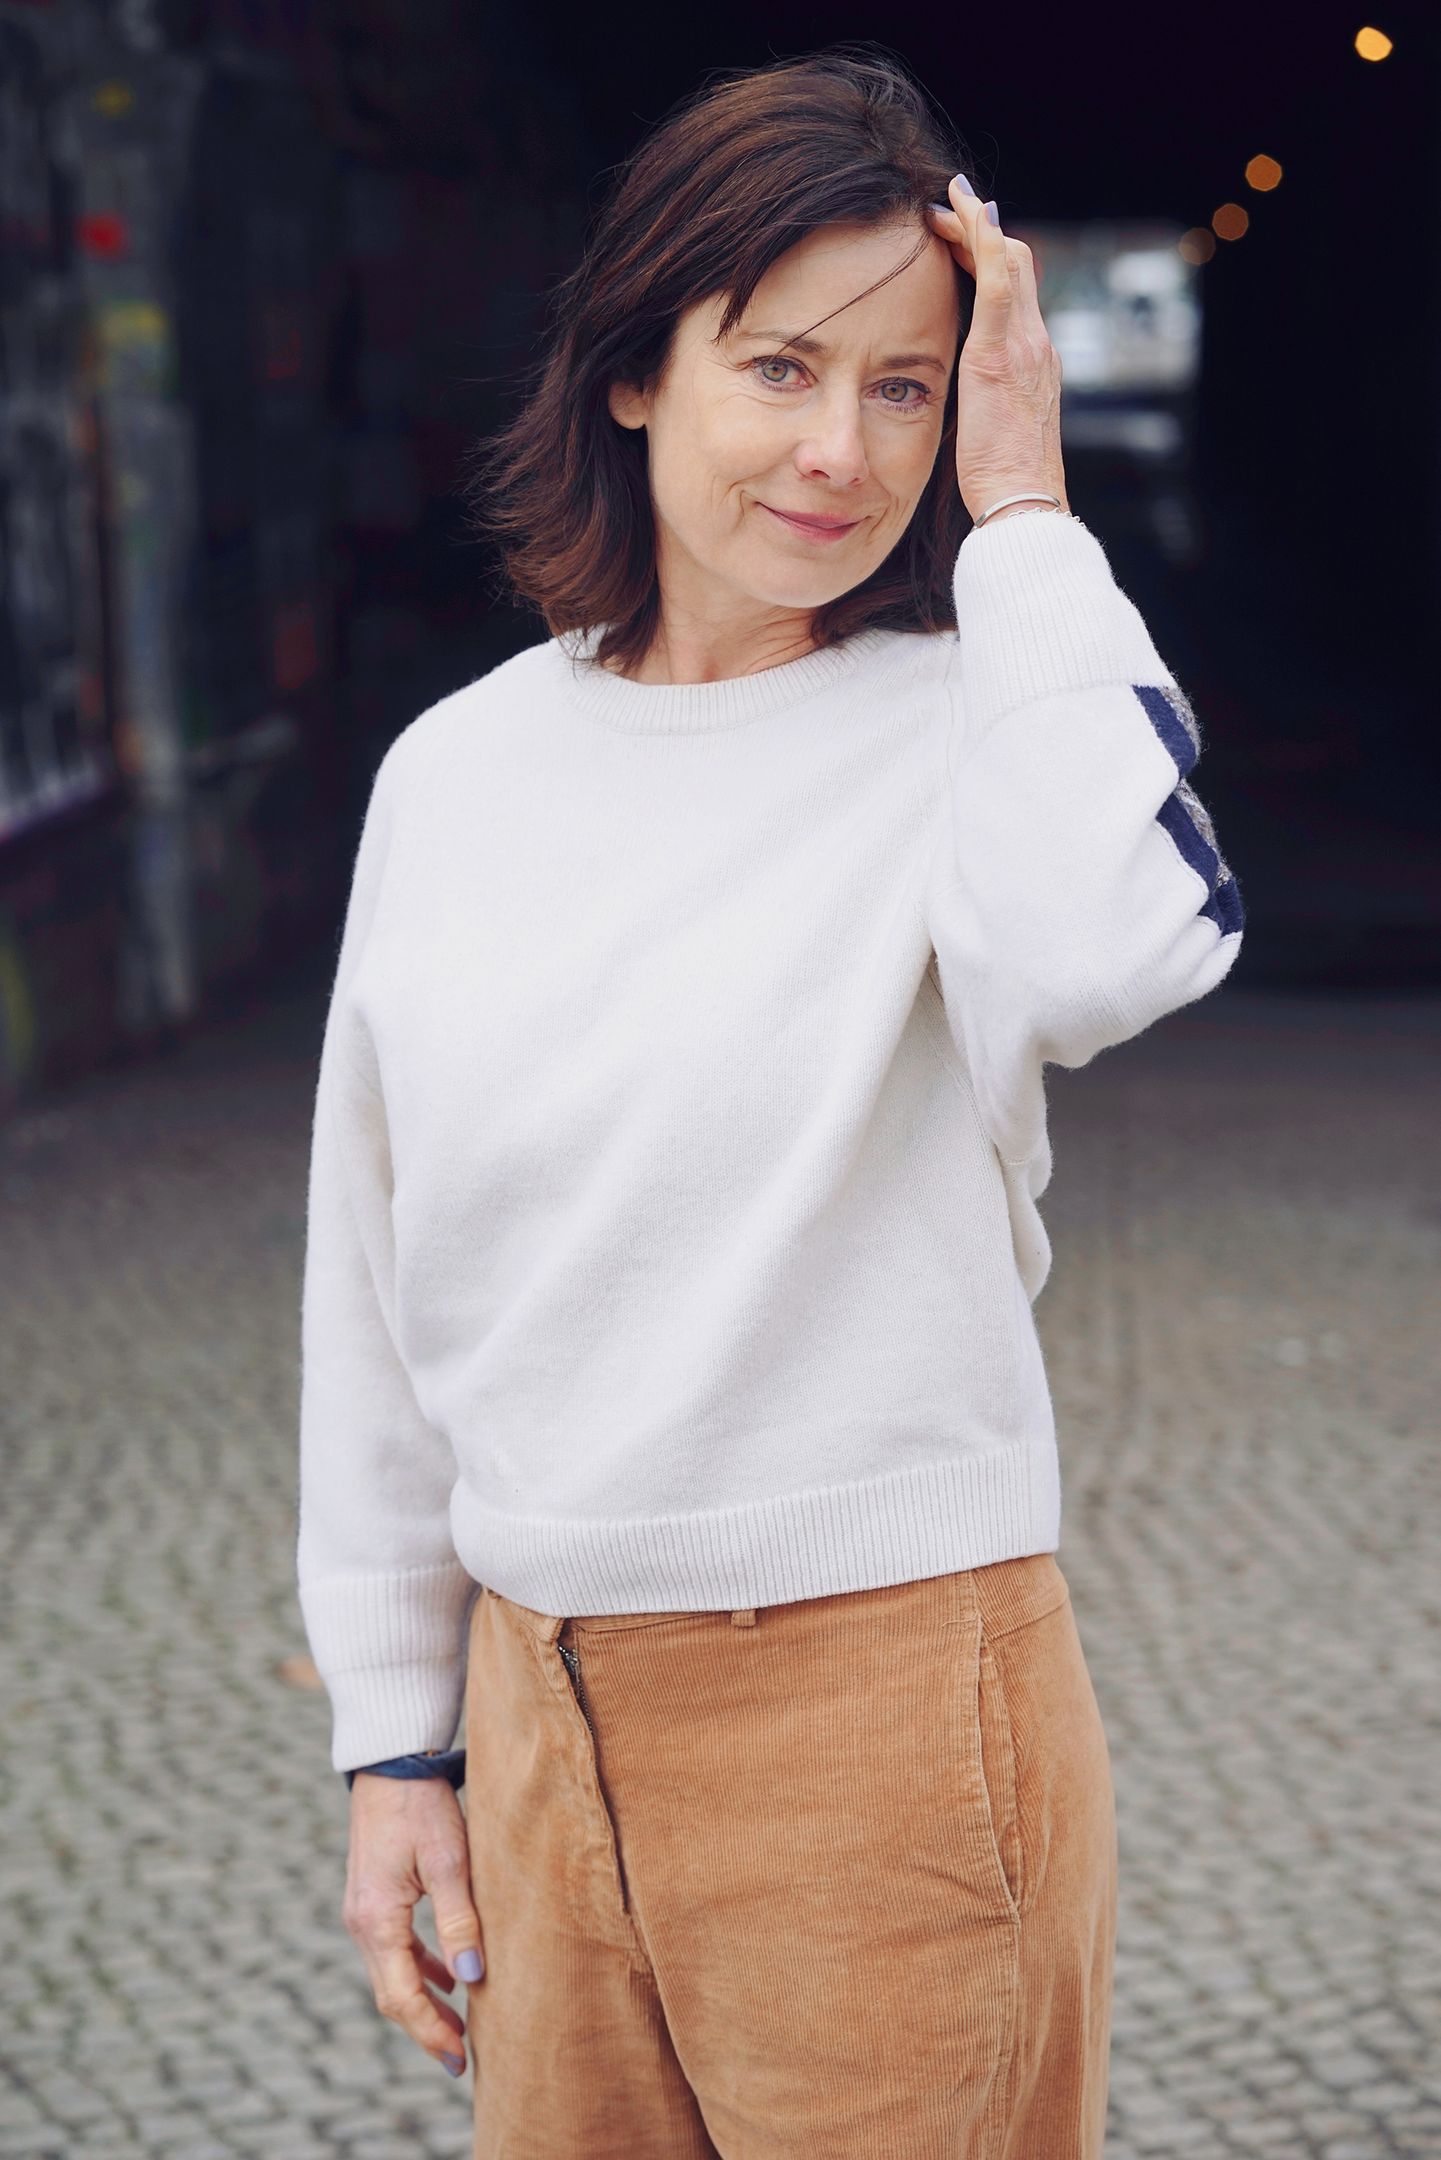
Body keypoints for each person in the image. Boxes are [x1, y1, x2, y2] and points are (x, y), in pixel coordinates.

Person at [296, 45, 1243, 2160]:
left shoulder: (968, 731)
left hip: (888, 1716)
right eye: (781, 367)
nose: (841, 450)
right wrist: (397, 1745)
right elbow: (373, 1278)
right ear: (639, 369)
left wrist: (1023, 515)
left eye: (903, 386)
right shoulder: (455, 774)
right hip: (537, 1719)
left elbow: (1122, 946)